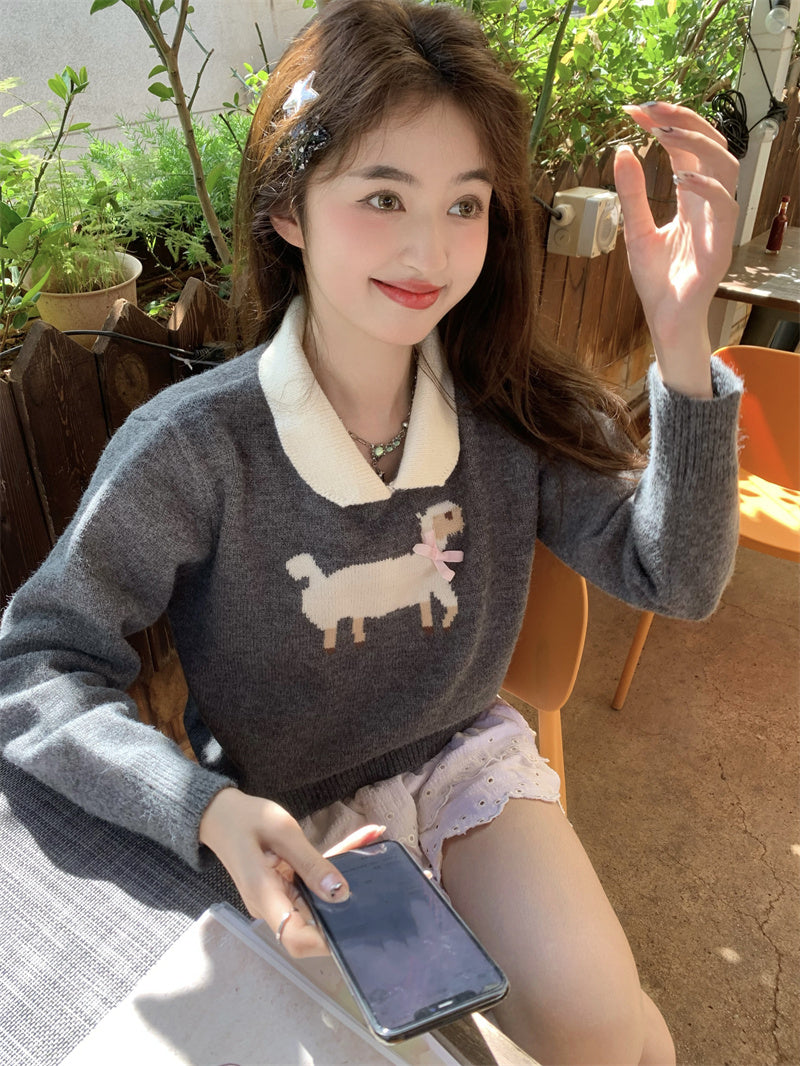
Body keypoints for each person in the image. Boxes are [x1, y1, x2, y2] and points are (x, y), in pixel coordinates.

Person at [0, 0, 742, 1062]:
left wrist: (679, 339)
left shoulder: (507, 406)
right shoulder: (196, 448)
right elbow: (33, 665)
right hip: (285, 816)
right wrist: (198, 806)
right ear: (288, 209)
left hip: (465, 761)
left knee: (603, 1034)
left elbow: (677, 579)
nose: (427, 250)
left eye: (463, 204)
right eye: (382, 195)